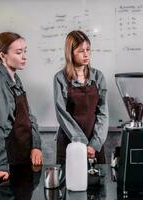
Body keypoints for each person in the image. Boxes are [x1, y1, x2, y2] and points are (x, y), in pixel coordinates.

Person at [0, 32, 43, 185]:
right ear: (3, 56)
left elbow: (29, 116)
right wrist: (0, 166)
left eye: (25, 51)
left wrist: (36, 145)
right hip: (10, 163)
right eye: (18, 52)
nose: (24, 56)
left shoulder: (15, 79)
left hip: (24, 157)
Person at [53, 30, 109, 165]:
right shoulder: (60, 78)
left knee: (97, 183)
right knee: (69, 183)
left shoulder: (98, 77)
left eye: (88, 49)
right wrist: (81, 143)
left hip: (94, 143)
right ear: (70, 53)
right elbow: (62, 114)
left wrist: (94, 144)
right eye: (80, 51)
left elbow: (103, 113)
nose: (86, 54)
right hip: (70, 142)